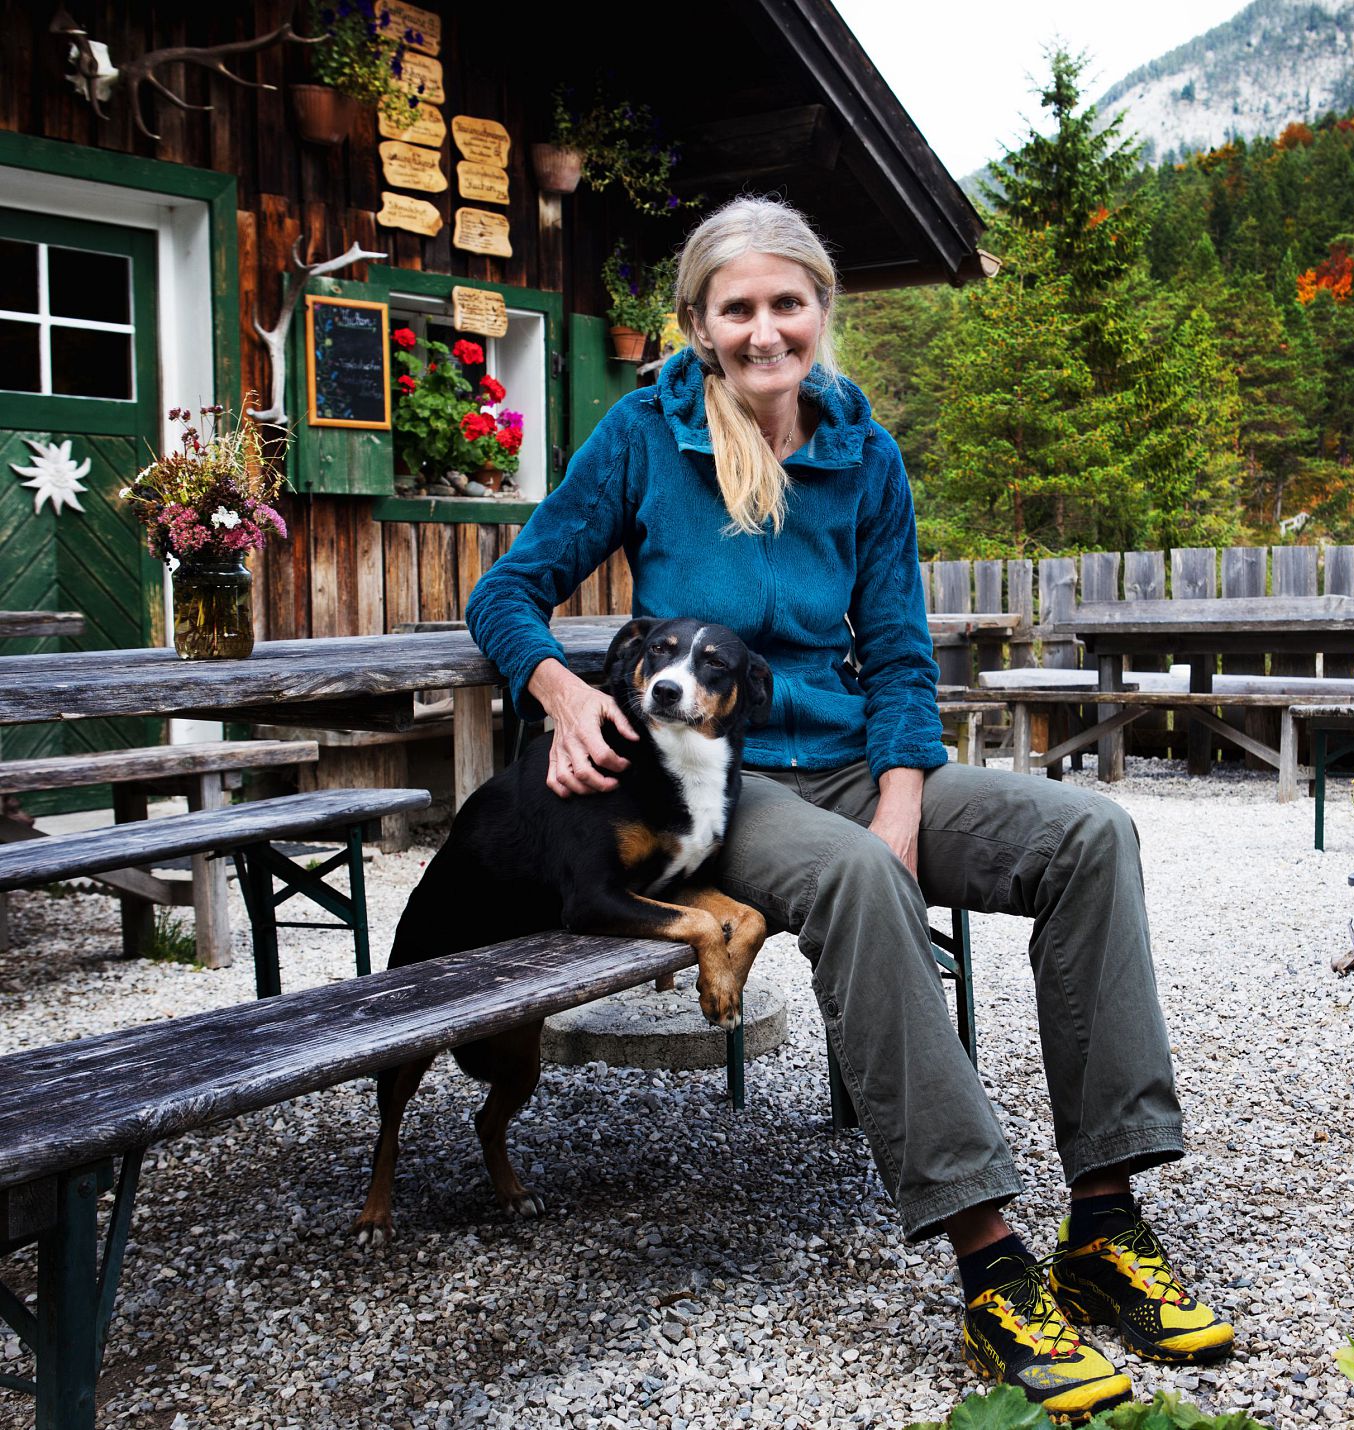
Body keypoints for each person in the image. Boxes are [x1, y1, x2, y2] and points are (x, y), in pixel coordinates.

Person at [467, 196, 1232, 1420]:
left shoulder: (863, 455)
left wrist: (901, 793)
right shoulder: (640, 435)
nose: (765, 330)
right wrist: (555, 686)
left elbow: (896, 650)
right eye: (738, 308)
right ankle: (989, 1261)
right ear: (700, 323)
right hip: (722, 784)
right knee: (858, 879)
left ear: (823, 310)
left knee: (1089, 832)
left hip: (850, 758)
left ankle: (1104, 1219)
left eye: (787, 303)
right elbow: (504, 591)